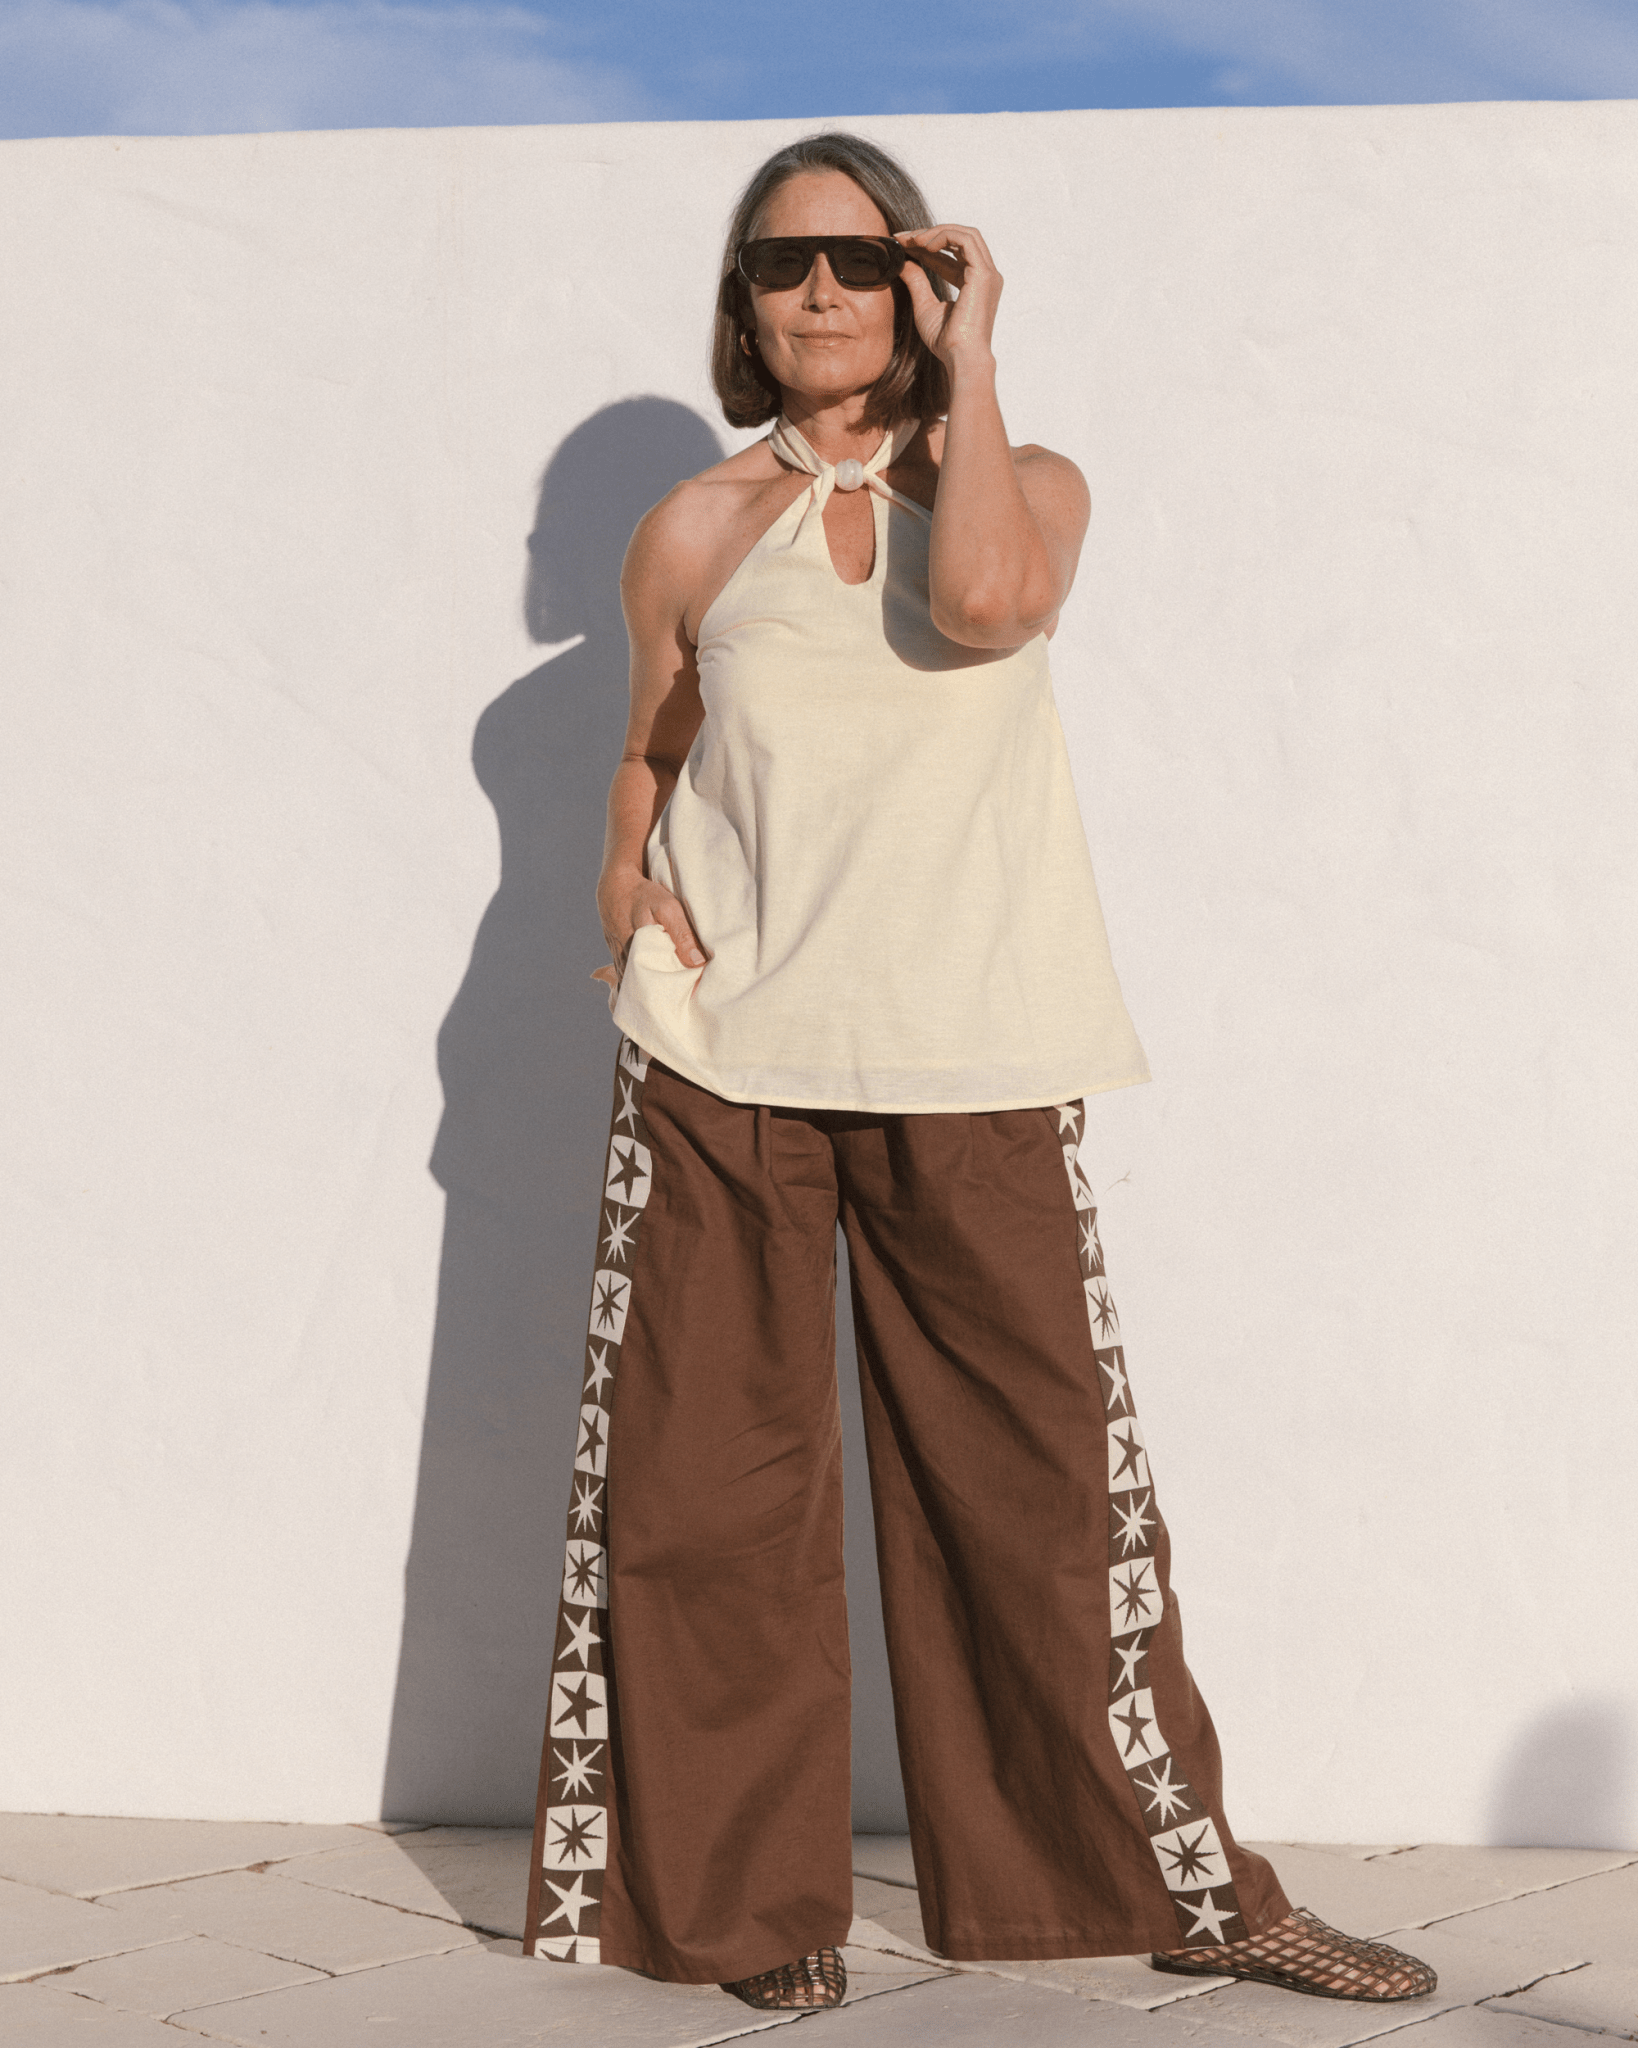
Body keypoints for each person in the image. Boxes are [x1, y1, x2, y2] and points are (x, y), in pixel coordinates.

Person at [519, 131, 1436, 2016]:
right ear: (742, 301)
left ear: (925, 285)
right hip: (721, 1057)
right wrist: (621, 874)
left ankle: (1182, 1885)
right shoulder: (692, 527)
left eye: (864, 263)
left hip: (973, 1042)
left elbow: (987, 611)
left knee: (1046, 1492)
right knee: (707, 1495)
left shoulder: (1020, 484)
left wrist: (984, 358)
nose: (822, 295)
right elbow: (651, 742)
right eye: (781, 266)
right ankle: (739, 1912)